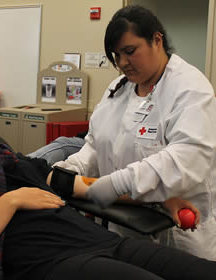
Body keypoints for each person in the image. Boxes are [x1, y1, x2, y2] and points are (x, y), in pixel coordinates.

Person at [0, 77, 215, 280]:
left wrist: (159, 197)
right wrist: (11, 201)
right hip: (49, 260)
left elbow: (83, 187)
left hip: (97, 242)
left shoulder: (4, 156)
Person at [54, 5, 216, 260]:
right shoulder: (118, 89)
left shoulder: (190, 90)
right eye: (116, 55)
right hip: (124, 222)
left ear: (156, 40)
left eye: (130, 51)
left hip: (177, 231)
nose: (122, 63)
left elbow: (184, 160)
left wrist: (111, 185)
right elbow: (97, 145)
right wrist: (71, 169)